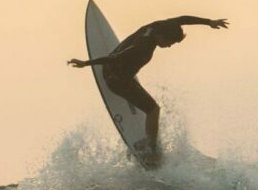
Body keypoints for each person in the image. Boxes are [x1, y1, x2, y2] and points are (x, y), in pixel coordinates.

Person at [68, 15, 229, 161]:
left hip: (124, 73)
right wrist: (85, 63)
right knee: (153, 110)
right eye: (170, 42)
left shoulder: (160, 25)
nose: (170, 46)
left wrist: (209, 22)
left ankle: (149, 141)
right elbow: (114, 59)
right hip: (116, 80)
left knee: (146, 101)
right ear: (161, 36)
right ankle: (149, 148)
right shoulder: (142, 46)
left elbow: (183, 18)